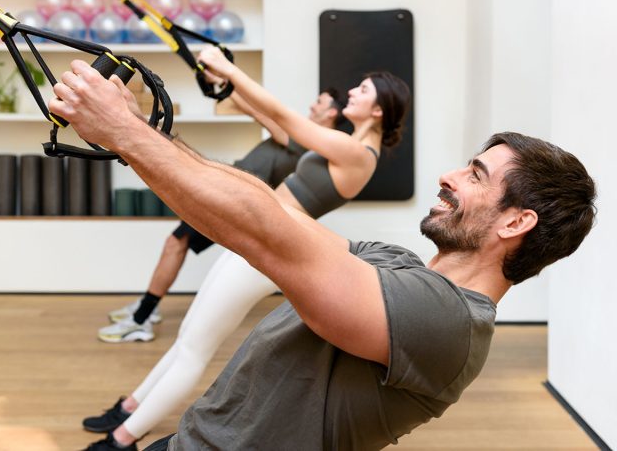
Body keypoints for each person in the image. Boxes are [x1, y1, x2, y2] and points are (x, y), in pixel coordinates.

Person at [50, 57, 595, 450]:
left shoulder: (448, 325)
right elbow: (272, 210)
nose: (448, 176)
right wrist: (140, 131)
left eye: (475, 175)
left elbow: (262, 229)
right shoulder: (394, 264)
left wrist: (124, 132)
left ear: (517, 221)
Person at [80, 47, 411, 450]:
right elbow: (275, 120)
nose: (352, 94)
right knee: (187, 338)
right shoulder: (340, 142)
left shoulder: (359, 154)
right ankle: (130, 408)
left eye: (363, 90)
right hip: (255, 238)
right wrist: (228, 84)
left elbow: (286, 116)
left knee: (194, 351)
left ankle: (121, 440)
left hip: (270, 249)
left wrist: (231, 71)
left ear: (379, 111)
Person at [98, 85, 347, 342]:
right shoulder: (306, 139)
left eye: (320, 102)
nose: (313, 106)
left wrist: (229, 87)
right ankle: (146, 307)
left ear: (331, 113)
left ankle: (141, 318)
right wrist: (226, 87)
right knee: (177, 242)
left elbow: (261, 114)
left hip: (232, 199)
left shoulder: (307, 141)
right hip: (225, 189)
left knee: (176, 243)